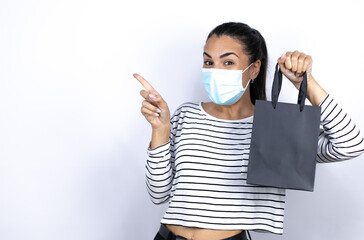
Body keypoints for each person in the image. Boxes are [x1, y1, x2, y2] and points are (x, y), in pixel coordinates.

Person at [134, 22, 364, 240]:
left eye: (228, 62)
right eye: (208, 62)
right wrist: (161, 130)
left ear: (253, 69)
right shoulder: (186, 115)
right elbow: (158, 194)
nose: (215, 70)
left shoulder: (277, 127)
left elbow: (351, 144)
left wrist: (305, 82)